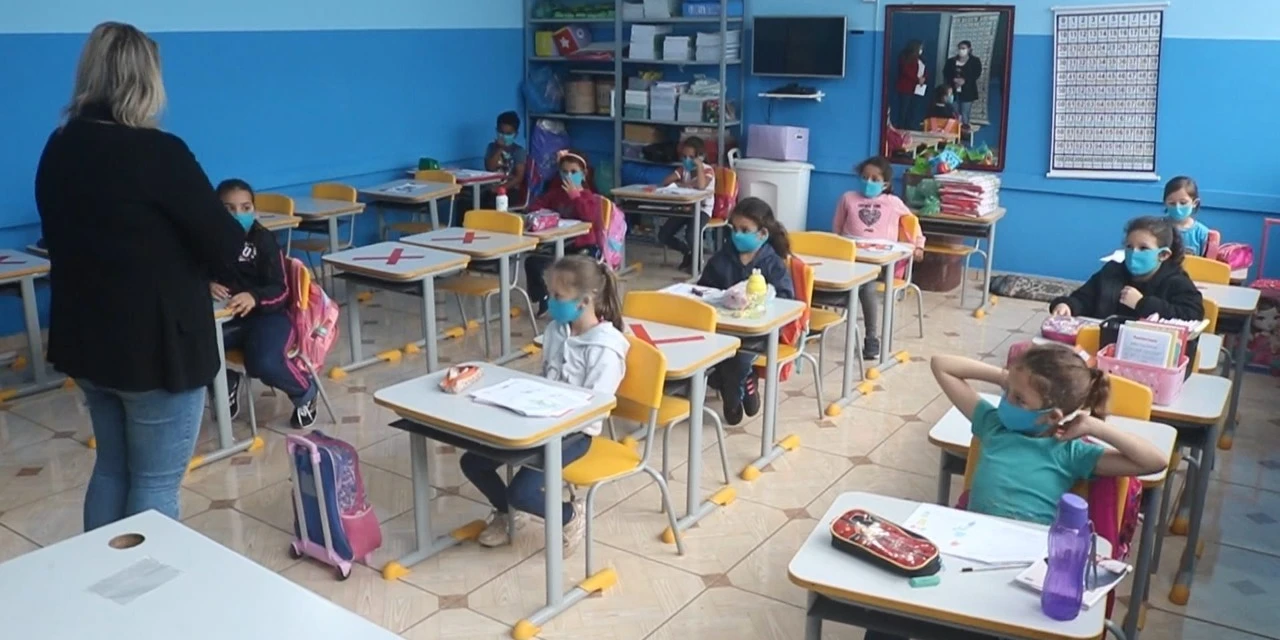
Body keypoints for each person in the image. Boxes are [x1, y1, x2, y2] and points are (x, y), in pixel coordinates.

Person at [34, 22, 246, 531]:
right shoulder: (158, 153)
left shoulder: (60, 146)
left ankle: (103, 573)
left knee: (112, 468)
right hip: (157, 349)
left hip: (87, 339)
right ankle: (143, 580)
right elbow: (226, 243)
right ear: (146, 80)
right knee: (154, 483)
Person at [858, 347, 1166, 640]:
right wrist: (1005, 378)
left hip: (1023, 569)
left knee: (988, 624)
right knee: (889, 614)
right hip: (969, 552)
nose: (1006, 401)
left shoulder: (1069, 452)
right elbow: (942, 365)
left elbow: (1154, 461)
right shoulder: (993, 424)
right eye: (1008, 393)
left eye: (1019, 399)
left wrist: (1094, 427)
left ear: (1052, 416)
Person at [460, 255, 629, 553]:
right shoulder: (556, 330)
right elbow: (546, 378)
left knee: (522, 492)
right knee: (472, 463)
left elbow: (596, 408)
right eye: (550, 292)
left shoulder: (606, 347)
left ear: (584, 301)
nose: (550, 301)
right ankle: (508, 513)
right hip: (539, 423)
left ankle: (569, 515)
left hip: (575, 434)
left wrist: (550, 419)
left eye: (558, 296)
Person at [213, 179, 320, 428]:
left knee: (263, 362)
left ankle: (305, 391)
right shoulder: (207, 242)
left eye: (245, 207)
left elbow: (280, 290)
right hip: (226, 319)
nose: (238, 214)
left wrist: (254, 297)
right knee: (187, 350)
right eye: (229, 209)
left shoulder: (264, 241)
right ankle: (226, 382)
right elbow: (192, 274)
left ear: (254, 210)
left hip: (269, 316)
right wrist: (207, 283)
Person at [697, 197, 794, 425]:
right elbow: (703, 290)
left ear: (762, 234)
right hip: (722, 326)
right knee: (710, 356)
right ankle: (741, 381)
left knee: (736, 358)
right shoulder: (722, 258)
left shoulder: (772, 263)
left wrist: (761, 299)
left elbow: (787, 298)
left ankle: (732, 397)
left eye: (744, 230)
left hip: (758, 333)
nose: (737, 235)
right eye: (734, 229)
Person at [831, 156, 925, 359]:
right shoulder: (848, 198)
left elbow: (913, 223)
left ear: (885, 184)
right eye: (865, 177)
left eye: (875, 179)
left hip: (881, 264)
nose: (868, 182)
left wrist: (919, 245)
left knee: (867, 285)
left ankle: (871, 337)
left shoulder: (893, 203)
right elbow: (837, 229)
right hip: (852, 259)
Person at [1050, 216, 1204, 321]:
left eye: (1143, 248)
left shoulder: (1176, 281)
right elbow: (1084, 298)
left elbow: (1192, 315)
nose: (1134, 253)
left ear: (1163, 255)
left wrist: (1141, 303)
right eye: (1129, 247)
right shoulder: (1111, 272)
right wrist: (1067, 305)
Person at [523, 150, 603, 316]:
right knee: (533, 262)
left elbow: (589, 217)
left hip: (583, 245)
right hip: (560, 243)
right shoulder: (556, 193)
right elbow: (535, 206)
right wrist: (546, 214)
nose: (569, 176)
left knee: (572, 271)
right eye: (565, 172)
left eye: (574, 172)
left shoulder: (589, 197)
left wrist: (576, 197)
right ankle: (543, 297)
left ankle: (573, 302)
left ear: (584, 174)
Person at [658, 137, 716, 273]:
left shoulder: (708, 170)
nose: (686, 160)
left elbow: (701, 186)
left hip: (703, 210)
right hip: (686, 208)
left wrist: (699, 166)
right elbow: (666, 182)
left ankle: (698, 263)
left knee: (691, 234)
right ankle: (687, 252)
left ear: (700, 157)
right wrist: (684, 183)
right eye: (684, 157)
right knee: (664, 234)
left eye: (691, 157)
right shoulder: (684, 169)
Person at [482, 110, 528, 206]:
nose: (504, 136)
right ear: (497, 131)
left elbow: (519, 177)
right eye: (501, 133)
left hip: (510, 190)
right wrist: (500, 149)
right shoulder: (491, 147)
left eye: (508, 134)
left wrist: (501, 188)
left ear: (515, 134)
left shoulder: (518, 151)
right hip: (491, 189)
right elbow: (490, 168)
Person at [1163, 176, 1210, 257]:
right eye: (1172, 203)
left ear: (1195, 203)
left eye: (1183, 203)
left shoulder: (1202, 233)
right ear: (1165, 203)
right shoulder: (1157, 227)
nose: (1177, 207)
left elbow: (1207, 261)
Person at [943, 40, 983, 126]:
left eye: (963, 48)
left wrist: (965, 80)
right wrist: (953, 79)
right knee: (954, 113)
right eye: (959, 48)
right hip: (953, 91)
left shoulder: (975, 61)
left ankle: (964, 130)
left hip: (968, 91)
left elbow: (976, 73)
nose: (961, 50)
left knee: (965, 113)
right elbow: (946, 73)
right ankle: (954, 130)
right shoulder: (951, 61)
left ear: (969, 49)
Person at [893, 40, 927, 130]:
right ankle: (901, 126)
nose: (921, 50)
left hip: (918, 88)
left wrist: (924, 78)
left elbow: (925, 70)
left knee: (913, 109)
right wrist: (917, 79)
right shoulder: (905, 57)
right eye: (920, 48)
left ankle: (910, 126)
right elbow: (906, 71)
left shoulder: (921, 59)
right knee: (904, 109)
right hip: (906, 87)